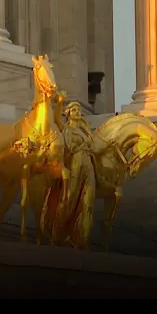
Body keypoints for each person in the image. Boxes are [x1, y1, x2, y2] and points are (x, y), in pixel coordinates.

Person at [51, 101, 97, 249]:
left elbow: (93, 148)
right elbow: (70, 147)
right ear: (68, 113)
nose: (78, 112)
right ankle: (57, 234)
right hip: (76, 163)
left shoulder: (85, 131)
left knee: (88, 201)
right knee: (70, 198)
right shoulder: (67, 129)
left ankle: (82, 239)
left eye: (78, 110)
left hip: (88, 163)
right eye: (74, 110)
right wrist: (59, 103)